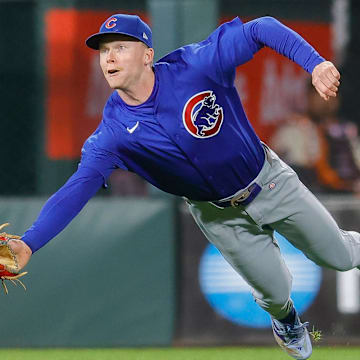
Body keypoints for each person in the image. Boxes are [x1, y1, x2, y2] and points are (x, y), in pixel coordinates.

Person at [4, 13, 355, 360]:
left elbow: (261, 27)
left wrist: (316, 63)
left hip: (269, 181)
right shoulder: (111, 136)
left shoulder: (196, 66)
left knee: (338, 255)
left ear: (147, 55)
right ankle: (287, 320)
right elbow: (75, 191)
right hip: (217, 215)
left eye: (120, 47)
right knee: (276, 291)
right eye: (103, 51)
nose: (109, 57)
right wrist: (30, 242)